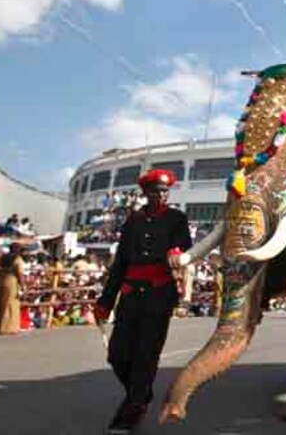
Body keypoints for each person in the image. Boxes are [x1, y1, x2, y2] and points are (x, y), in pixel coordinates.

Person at [93, 169, 191, 434]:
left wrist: (176, 249)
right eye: (156, 191)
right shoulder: (132, 222)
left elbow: (184, 244)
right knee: (117, 354)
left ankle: (132, 407)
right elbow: (120, 265)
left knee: (146, 354)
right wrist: (106, 300)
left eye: (164, 191)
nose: (161, 195)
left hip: (159, 294)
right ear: (145, 193)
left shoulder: (176, 219)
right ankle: (141, 394)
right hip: (130, 294)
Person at [0, 244, 25, 335]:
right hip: (11, 281)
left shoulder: (1, 258)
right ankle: (9, 328)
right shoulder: (17, 259)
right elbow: (19, 273)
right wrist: (23, 285)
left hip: (0, 280)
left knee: (1, 304)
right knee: (11, 304)